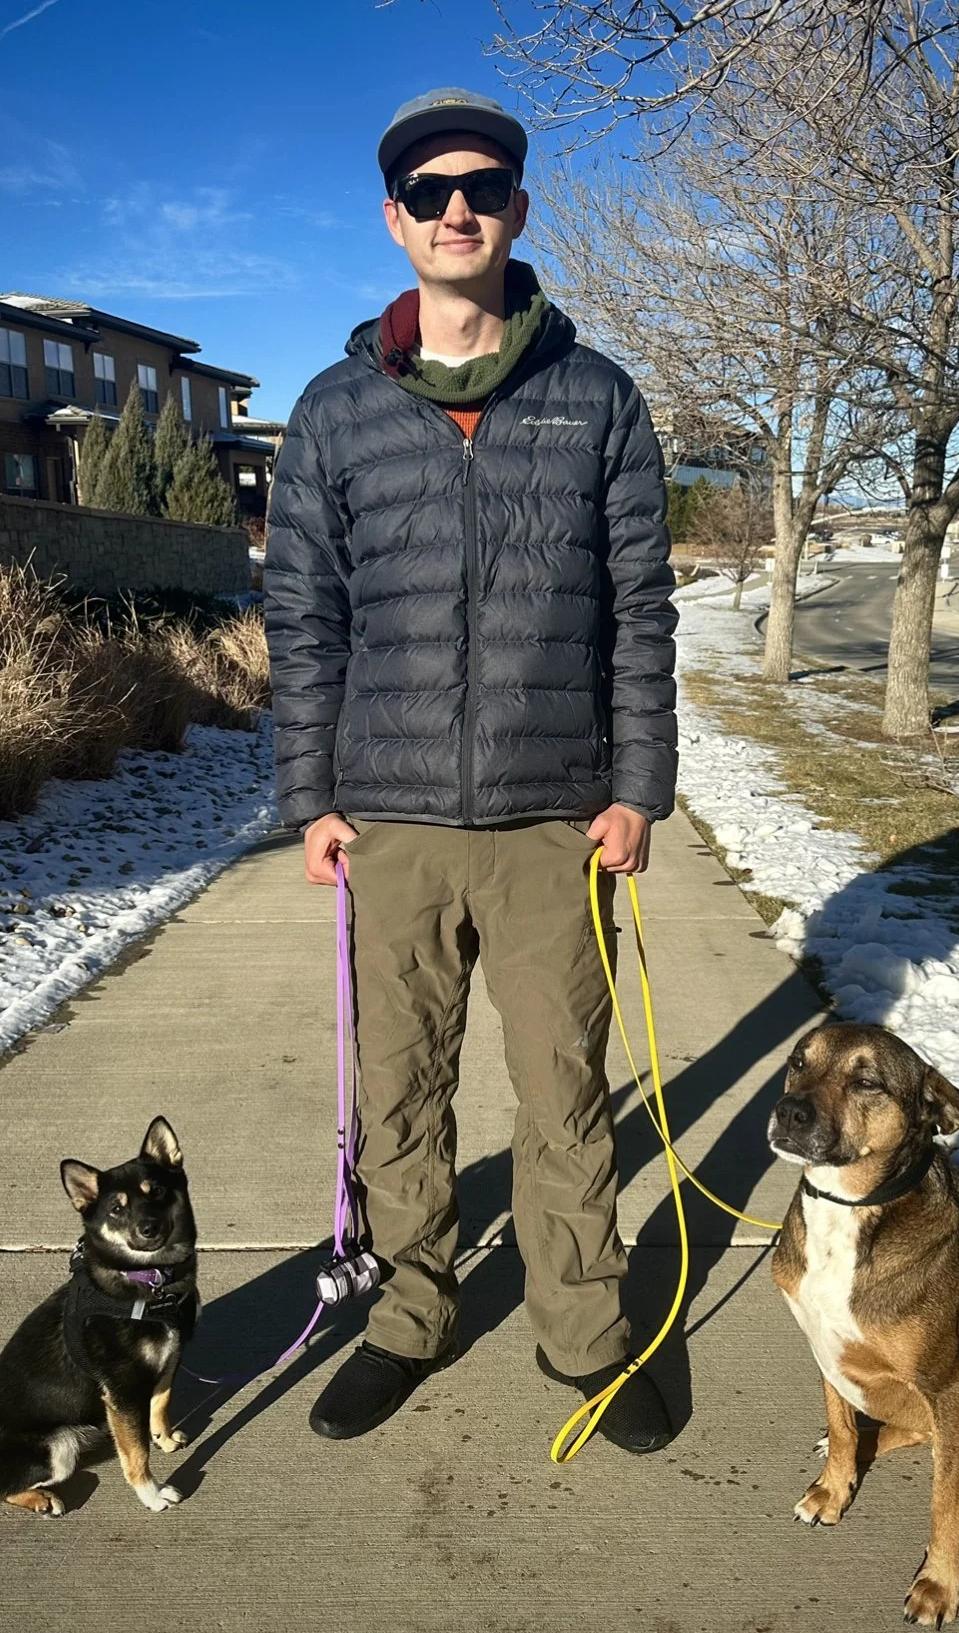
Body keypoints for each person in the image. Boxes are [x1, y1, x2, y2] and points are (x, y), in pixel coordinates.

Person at [264, 88, 678, 1452]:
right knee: (400, 1096)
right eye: (429, 191)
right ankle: (407, 1320)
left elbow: (640, 606)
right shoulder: (333, 413)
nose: (457, 209)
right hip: (387, 821)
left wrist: (637, 787)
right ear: (395, 220)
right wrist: (309, 799)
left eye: (481, 187)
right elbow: (303, 615)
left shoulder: (596, 399)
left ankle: (585, 1337)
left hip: (553, 819)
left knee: (563, 1095)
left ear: (515, 209)